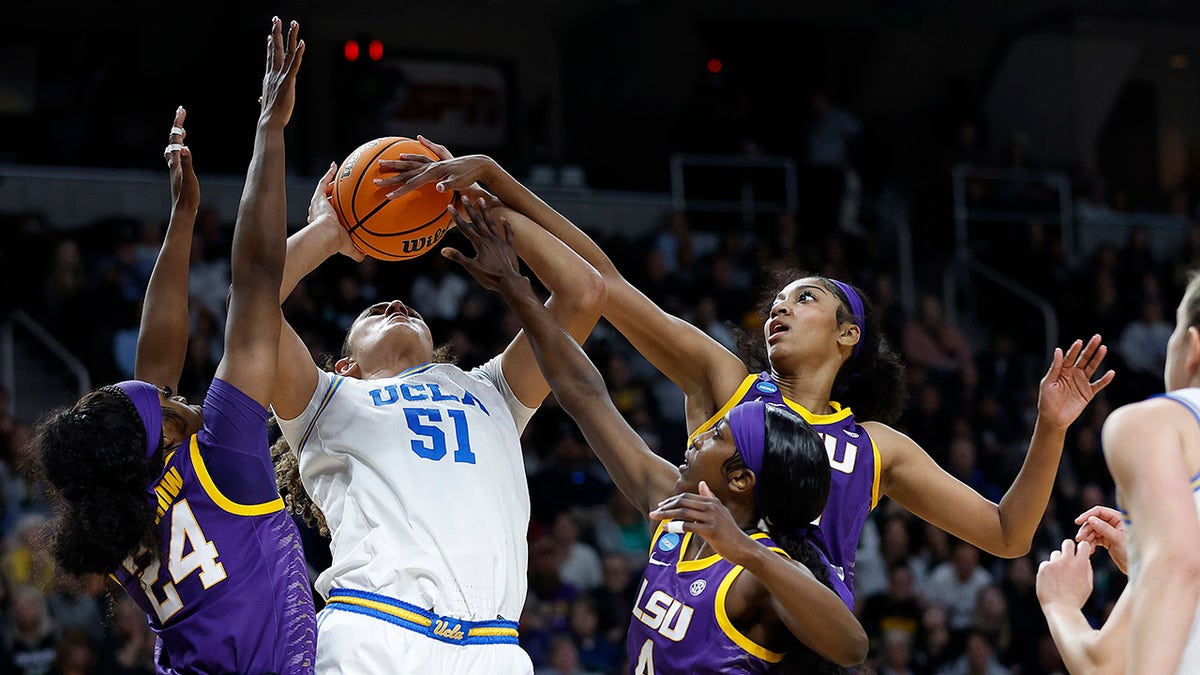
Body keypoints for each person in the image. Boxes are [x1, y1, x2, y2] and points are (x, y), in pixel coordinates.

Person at [376, 151, 1115, 610]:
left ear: (848, 335)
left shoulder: (876, 446)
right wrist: (495, 190)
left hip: (796, 646)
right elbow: (605, 281)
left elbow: (1008, 532)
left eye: (806, 298)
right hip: (691, 625)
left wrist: (1050, 427)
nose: (781, 309)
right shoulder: (725, 379)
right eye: (778, 301)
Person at [441, 197, 867, 673]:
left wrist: (746, 549)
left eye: (716, 437)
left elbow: (852, 647)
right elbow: (584, 393)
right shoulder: (673, 516)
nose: (696, 441)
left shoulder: (757, 570)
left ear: (741, 479)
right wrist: (517, 291)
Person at [30, 18, 316, 673]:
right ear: (159, 443)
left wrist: (180, 222)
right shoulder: (223, 455)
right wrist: (269, 133)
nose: (176, 393)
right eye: (167, 403)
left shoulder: (116, 508)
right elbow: (257, 285)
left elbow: (153, 366)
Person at [270, 157, 606, 672]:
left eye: (400, 306)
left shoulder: (493, 390)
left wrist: (474, 207)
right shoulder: (327, 400)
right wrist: (329, 231)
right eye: (373, 311)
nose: (395, 304)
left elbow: (584, 293)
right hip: (375, 631)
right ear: (347, 367)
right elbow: (251, 307)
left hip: (493, 649)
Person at [1035, 272, 1200, 673]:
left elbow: (1102, 665)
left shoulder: (1154, 422)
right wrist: (1145, 560)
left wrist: (1060, 603)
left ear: (1194, 346)